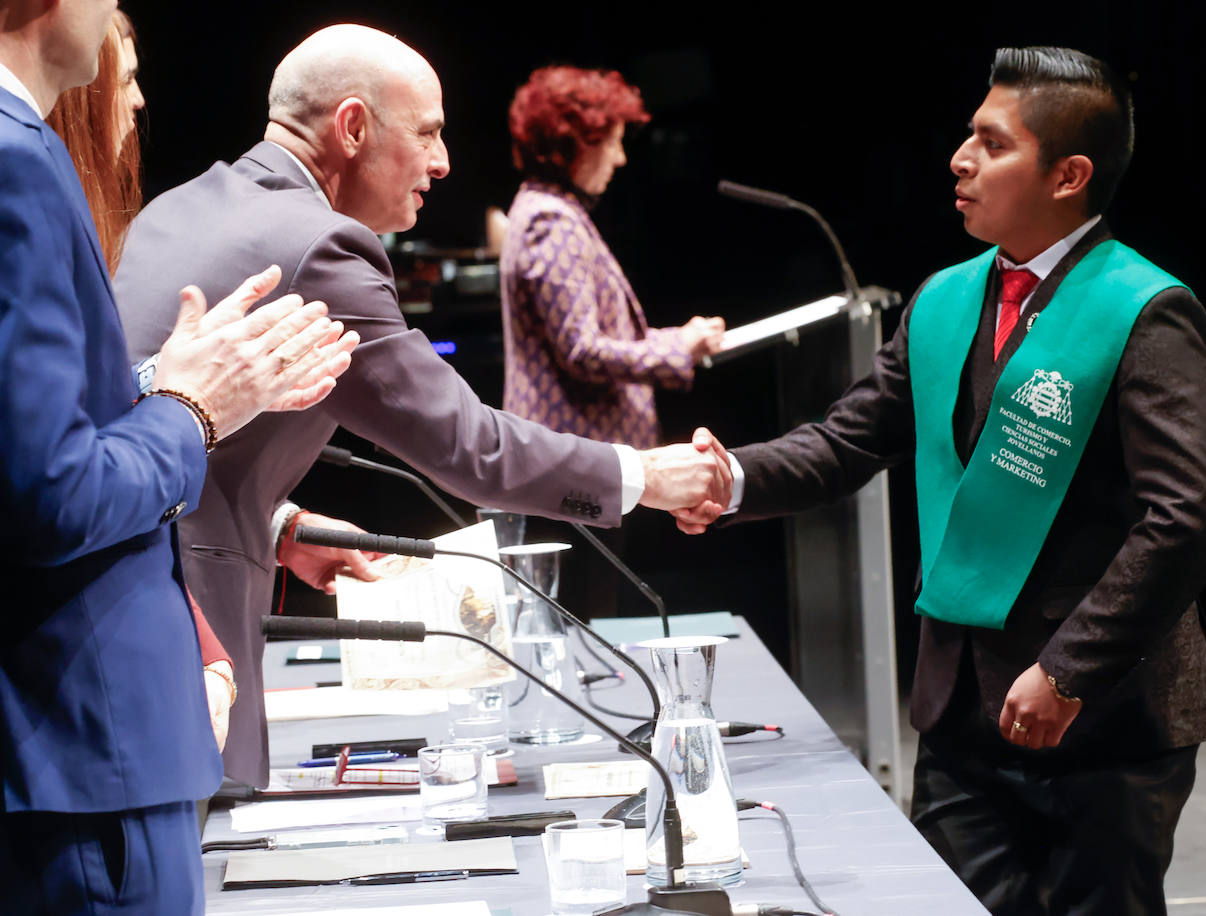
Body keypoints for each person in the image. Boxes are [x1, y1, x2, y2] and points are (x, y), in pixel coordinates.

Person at [676, 47, 1206, 915]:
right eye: (966, 135)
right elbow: (844, 443)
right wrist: (729, 478)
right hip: (961, 707)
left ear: (1069, 175)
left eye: (991, 142)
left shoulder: (1147, 309)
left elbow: (1188, 518)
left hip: (1102, 714)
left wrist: (1070, 671)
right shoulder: (946, 297)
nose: (959, 159)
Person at [113, 24, 733, 789]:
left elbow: (148, 421)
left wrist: (279, 524)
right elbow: (473, 450)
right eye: (429, 133)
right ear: (351, 128)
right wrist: (645, 476)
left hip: (115, 614)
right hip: (185, 644)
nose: (443, 163)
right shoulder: (323, 247)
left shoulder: (172, 210)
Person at [0, 0, 358, 909]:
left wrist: (181, 388)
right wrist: (194, 405)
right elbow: (51, 494)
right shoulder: (13, 159)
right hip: (85, 750)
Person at [46, 12, 237, 753]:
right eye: (125, 80)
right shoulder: (32, 211)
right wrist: (193, 404)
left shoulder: (99, 237)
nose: (138, 101)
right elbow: (62, 486)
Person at [501, 65, 725, 449]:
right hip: (573, 463)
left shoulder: (547, 209)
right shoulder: (552, 220)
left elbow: (597, 336)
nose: (620, 159)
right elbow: (582, 350)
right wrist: (678, 348)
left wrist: (680, 338)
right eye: (612, 142)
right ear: (574, 143)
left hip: (573, 459)